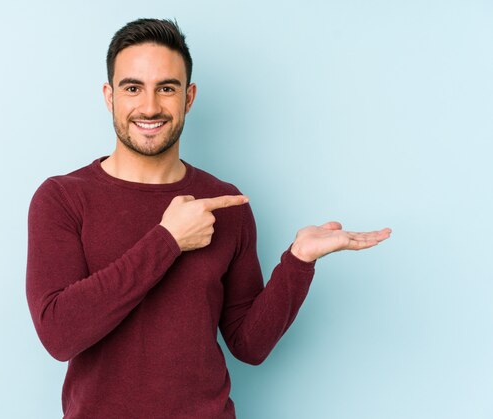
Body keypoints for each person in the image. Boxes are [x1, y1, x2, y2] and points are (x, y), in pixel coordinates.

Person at [26, 18, 391, 419]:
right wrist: (168, 240)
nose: (150, 106)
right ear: (110, 96)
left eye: (167, 88)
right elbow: (59, 335)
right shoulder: (62, 198)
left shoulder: (226, 203)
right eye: (133, 88)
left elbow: (248, 345)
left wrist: (298, 262)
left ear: (189, 97)